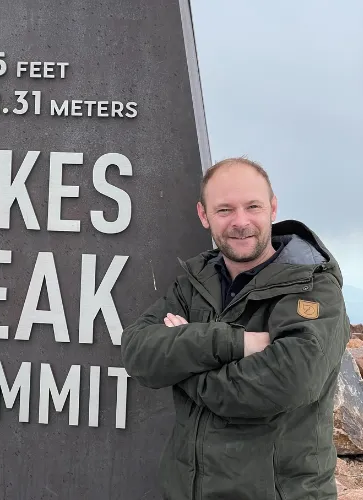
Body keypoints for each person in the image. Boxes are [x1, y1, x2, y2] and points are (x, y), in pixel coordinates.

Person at [121, 158, 350, 500]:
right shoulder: (194, 285)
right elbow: (137, 351)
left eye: (252, 206)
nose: (241, 222)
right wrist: (235, 343)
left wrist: (184, 368)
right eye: (225, 209)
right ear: (204, 215)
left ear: (272, 207)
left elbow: (287, 381)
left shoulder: (313, 288)